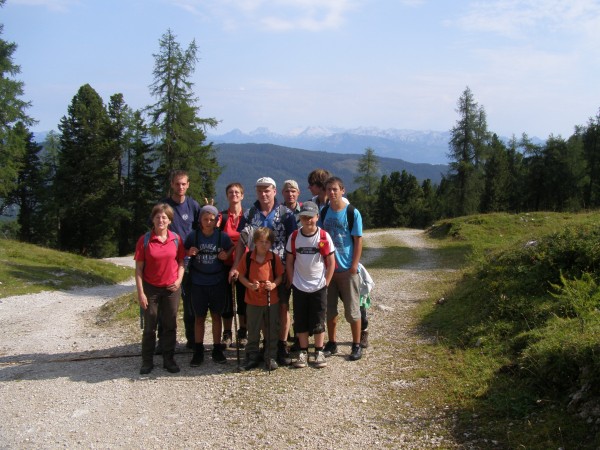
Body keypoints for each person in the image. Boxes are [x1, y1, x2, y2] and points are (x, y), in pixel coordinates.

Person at [229, 177, 297, 366]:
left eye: (267, 190)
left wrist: (291, 270)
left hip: (279, 270)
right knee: (256, 311)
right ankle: (258, 349)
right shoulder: (250, 214)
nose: (263, 194)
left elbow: (293, 242)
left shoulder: (286, 214)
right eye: (259, 190)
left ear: (275, 191)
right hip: (255, 270)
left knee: (282, 308)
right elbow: (242, 243)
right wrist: (236, 266)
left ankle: (279, 346)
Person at [135, 203, 185, 375]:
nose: (161, 220)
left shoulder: (176, 239)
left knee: (170, 324)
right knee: (150, 325)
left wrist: (179, 281)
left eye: (164, 217)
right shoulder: (145, 240)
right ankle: (147, 361)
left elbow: (181, 263)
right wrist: (141, 293)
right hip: (151, 289)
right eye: (158, 217)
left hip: (171, 288)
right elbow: (139, 269)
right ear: (153, 219)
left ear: (170, 220)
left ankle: (168, 359)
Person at [318, 176, 364, 361]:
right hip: (329, 270)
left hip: (346, 269)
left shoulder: (352, 213)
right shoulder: (323, 212)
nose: (332, 192)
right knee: (329, 310)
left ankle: (356, 344)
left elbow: (358, 240)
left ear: (343, 191)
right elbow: (320, 237)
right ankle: (332, 343)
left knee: (352, 311)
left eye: (335, 189)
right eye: (329, 189)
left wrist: (354, 266)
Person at [285, 201, 335, 369]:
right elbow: (290, 261)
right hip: (299, 286)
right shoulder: (294, 237)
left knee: (319, 319)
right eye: (304, 217)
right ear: (300, 218)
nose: (308, 220)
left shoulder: (323, 236)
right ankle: (303, 352)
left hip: (319, 286)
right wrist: (292, 281)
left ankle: (319, 351)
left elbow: (331, 262)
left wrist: (326, 283)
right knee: (300, 320)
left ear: (317, 217)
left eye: (311, 217)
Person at [158, 170, 201, 351]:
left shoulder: (193, 205)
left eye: (183, 184)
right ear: (172, 185)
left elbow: (200, 230)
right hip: (170, 263)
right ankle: (166, 341)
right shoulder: (163, 207)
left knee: (190, 304)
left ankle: (192, 340)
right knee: (168, 306)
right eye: (177, 184)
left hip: (191, 263)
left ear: (188, 185)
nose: (180, 187)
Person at [185, 205, 234, 366]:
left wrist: (226, 255)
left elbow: (232, 247)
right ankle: (198, 350)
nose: (208, 222)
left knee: (216, 316)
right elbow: (183, 251)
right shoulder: (193, 236)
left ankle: (216, 348)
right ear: (200, 220)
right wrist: (188, 253)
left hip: (217, 281)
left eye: (211, 219)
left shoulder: (222, 237)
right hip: (198, 282)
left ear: (216, 221)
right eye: (205, 219)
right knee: (199, 317)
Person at [237, 227, 284, 371]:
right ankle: (252, 355)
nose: (264, 245)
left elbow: (280, 276)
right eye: (261, 241)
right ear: (255, 242)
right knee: (253, 329)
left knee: (271, 329)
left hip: (271, 299)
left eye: (267, 242)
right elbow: (240, 275)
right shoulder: (248, 257)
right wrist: (250, 285)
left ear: (271, 244)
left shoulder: (274, 258)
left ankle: (270, 356)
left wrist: (273, 284)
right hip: (252, 299)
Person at [217, 182, 248, 349]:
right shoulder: (221, 218)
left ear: (242, 196)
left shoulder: (248, 216)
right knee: (227, 301)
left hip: (244, 265)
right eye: (230, 192)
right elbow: (216, 239)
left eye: (237, 192)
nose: (234, 195)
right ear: (227, 195)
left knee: (244, 300)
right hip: (225, 265)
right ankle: (227, 333)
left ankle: (243, 332)